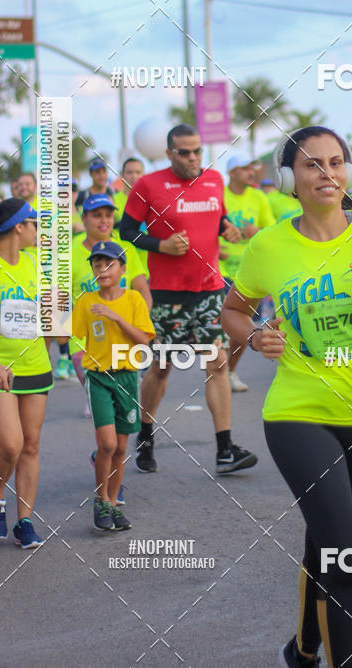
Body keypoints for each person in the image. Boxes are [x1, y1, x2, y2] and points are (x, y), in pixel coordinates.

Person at [221, 126, 352, 668]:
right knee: (346, 554)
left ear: (350, 172)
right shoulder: (269, 244)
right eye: (313, 164)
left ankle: (304, 647)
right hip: (297, 412)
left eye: (337, 162)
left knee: (326, 543)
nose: (327, 173)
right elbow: (233, 309)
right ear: (290, 177)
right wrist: (253, 336)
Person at [120, 124, 257, 475]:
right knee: (161, 368)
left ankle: (225, 450)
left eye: (197, 150)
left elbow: (218, 216)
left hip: (209, 290)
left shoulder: (213, 180)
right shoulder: (148, 185)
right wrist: (160, 245)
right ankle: (146, 435)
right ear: (169, 154)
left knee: (217, 365)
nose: (193, 157)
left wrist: (226, 227)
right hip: (168, 294)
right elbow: (127, 230)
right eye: (184, 152)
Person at [0, 198, 53, 547]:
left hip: (35, 365)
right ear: (20, 226)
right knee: (12, 443)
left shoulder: (36, 263)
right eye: (35, 223)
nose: (38, 230)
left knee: (31, 445)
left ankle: (25, 522)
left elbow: (48, 318)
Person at [72, 241, 155, 532]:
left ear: (122, 269)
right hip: (99, 378)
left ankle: (113, 502)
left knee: (121, 448)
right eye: (96, 264)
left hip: (127, 378)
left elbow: (144, 339)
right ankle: (101, 500)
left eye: (108, 264)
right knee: (106, 444)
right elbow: (71, 334)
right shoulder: (85, 301)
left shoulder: (133, 299)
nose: (101, 270)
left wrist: (116, 317)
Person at [67, 194, 151, 390]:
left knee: (123, 401)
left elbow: (143, 292)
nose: (104, 220)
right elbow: (57, 299)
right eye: (97, 215)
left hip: (124, 337)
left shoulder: (127, 249)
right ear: (84, 218)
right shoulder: (69, 252)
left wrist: (138, 325)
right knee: (99, 397)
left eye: (108, 215)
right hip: (84, 343)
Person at [218, 154, 275, 393]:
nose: (250, 172)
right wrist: (213, 248)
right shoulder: (219, 195)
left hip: (250, 272)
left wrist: (257, 230)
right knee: (218, 327)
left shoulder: (259, 197)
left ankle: (229, 371)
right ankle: (217, 370)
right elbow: (205, 225)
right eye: (244, 168)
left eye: (252, 168)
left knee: (243, 326)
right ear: (232, 173)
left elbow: (272, 231)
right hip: (219, 270)